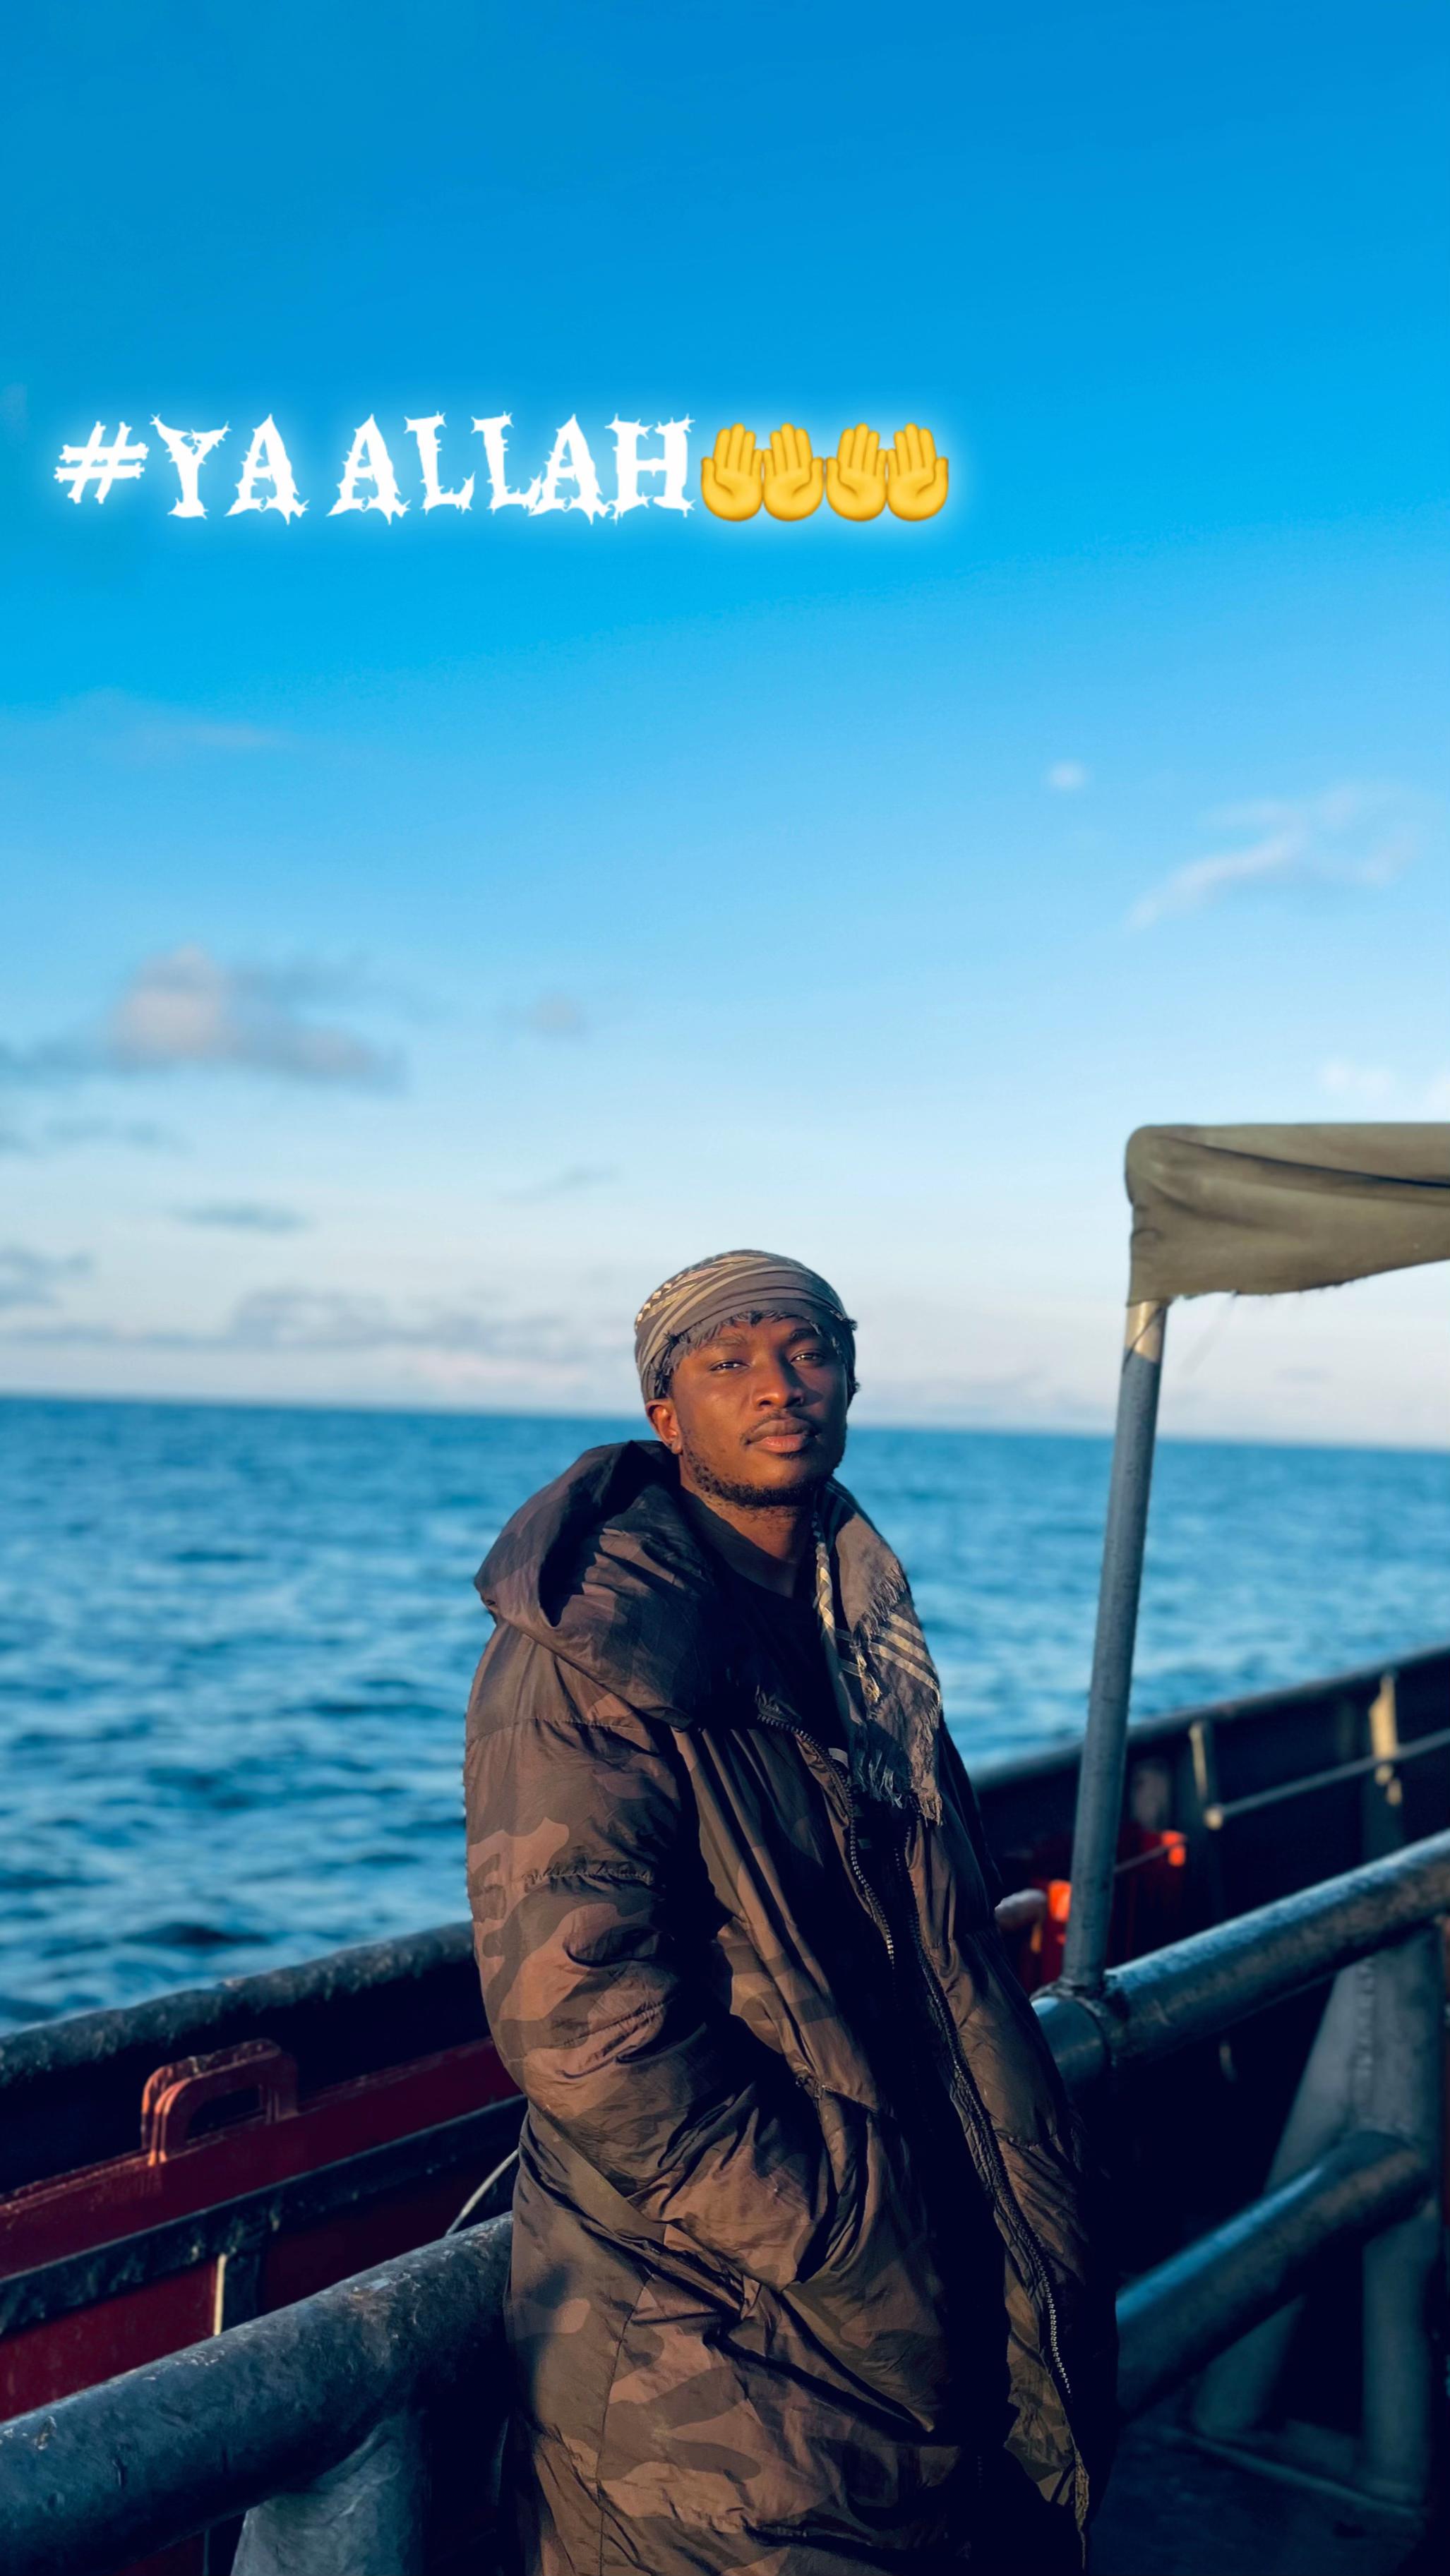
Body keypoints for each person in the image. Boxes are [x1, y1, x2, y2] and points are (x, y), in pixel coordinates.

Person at [465, 1251, 1114, 2575]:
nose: (778, 1385)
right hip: (708, 2346)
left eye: (806, 1351)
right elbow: (581, 2020)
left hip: (911, 2294)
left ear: (850, 1378)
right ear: (665, 1414)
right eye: (730, 1362)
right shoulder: (588, 1653)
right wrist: (838, 2228)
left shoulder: (853, 1625)